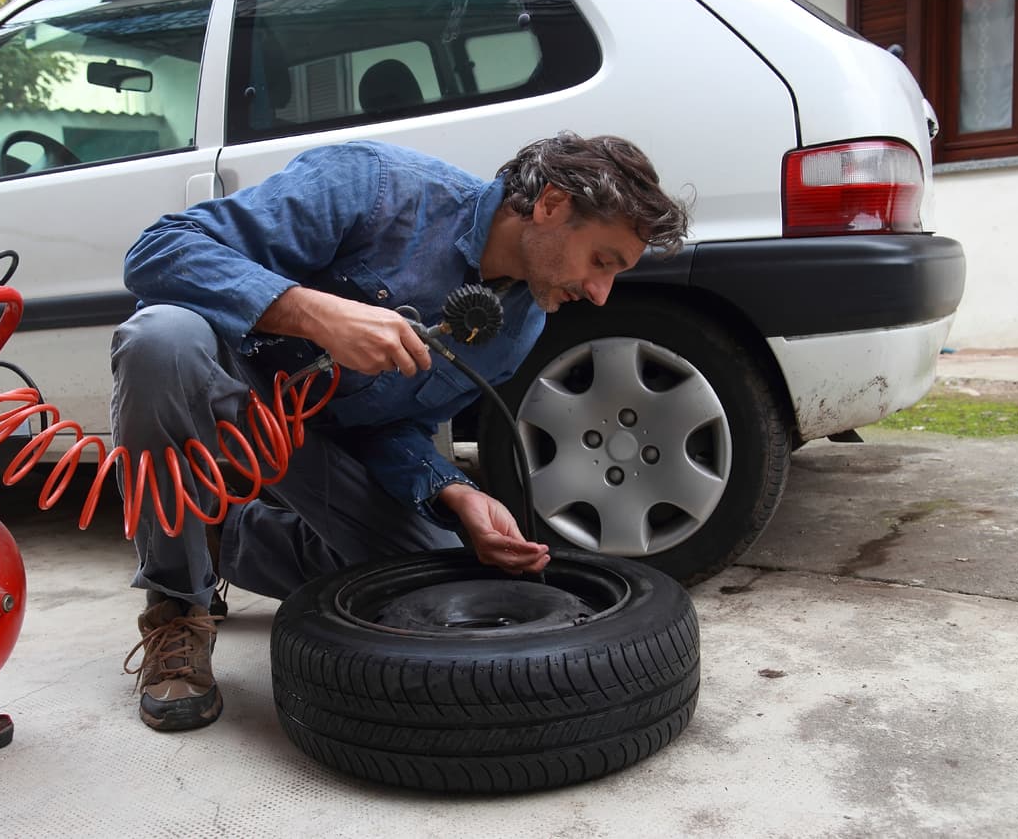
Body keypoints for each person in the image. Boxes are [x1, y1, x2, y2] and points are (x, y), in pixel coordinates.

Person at [112, 132, 689, 731]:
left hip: (313, 440)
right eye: (602, 262)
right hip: (223, 384)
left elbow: (392, 428)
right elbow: (157, 252)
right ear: (551, 203)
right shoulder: (375, 184)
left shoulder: (519, 326)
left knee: (437, 574)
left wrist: (452, 491)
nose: (600, 295)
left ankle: (220, 540)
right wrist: (317, 313)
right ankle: (177, 603)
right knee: (160, 339)